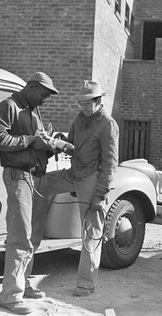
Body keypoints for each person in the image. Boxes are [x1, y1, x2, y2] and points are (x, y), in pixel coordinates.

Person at [0, 72, 58, 315]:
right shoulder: (8, 106)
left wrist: (49, 147)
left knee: (34, 236)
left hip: (38, 177)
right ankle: (10, 295)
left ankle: (24, 283)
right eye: (43, 94)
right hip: (20, 177)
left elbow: (37, 144)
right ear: (31, 87)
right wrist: (30, 140)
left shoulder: (33, 110)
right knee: (20, 237)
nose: (45, 99)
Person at [47, 80, 119, 297]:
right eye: (81, 104)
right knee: (38, 184)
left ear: (98, 102)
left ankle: (85, 285)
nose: (83, 108)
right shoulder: (79, 119)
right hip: (73, 173)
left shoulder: (108, 124)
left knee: (91, 233)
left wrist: (100, 195)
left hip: (92, 179)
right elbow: (71, 143)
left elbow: (110, 164)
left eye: (87, 104)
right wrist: (60, 143)